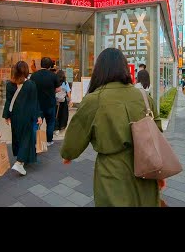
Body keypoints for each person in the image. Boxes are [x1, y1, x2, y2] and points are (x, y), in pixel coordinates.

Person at [60, 47, 164, 207]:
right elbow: (157, 133)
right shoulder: (143, 96)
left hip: (112, 175)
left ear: (99, 70)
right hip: (146, 171)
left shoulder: (93, 100)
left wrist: (68, 154)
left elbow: (72, 144)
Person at [2, 61, 42, 176]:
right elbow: (34, 102)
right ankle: (19, 162)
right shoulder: (31, 84)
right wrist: (38, 115)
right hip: (27, 115)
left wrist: (7, 115)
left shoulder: (10, 84)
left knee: (17, 137)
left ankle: (22, 159)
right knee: (27, 138)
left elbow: (8, 101)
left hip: (15, 115)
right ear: (25, 70)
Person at [30, 57, 61, 146]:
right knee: (50, 123)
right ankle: (49, 141)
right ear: (50, 65)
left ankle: (34, 142)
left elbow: (31, 88)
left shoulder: (34, 75)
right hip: (50, 103)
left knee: (36, 124)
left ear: (41, 65)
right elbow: (58, 89)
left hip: (37, 104)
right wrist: (52, 91)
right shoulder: (53, 75)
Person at [54, 69, 73, 139]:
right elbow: (68, 92)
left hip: (56, 101)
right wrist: (70, 100)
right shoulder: (65, 83)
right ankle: (62, 127)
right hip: (63, 101)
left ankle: (56, 128)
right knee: (63, 114)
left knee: (56, 115)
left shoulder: (55, 82)